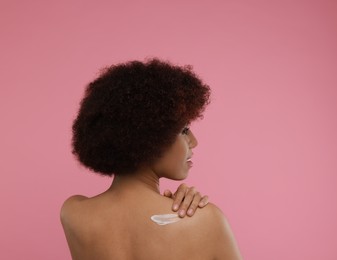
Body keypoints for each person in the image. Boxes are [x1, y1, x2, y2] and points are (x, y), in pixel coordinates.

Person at [61, 59, 242, 259]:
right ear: (150, 137)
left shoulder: (73, 213)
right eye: (184, 130)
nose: (194, 142)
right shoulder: (207, 221)